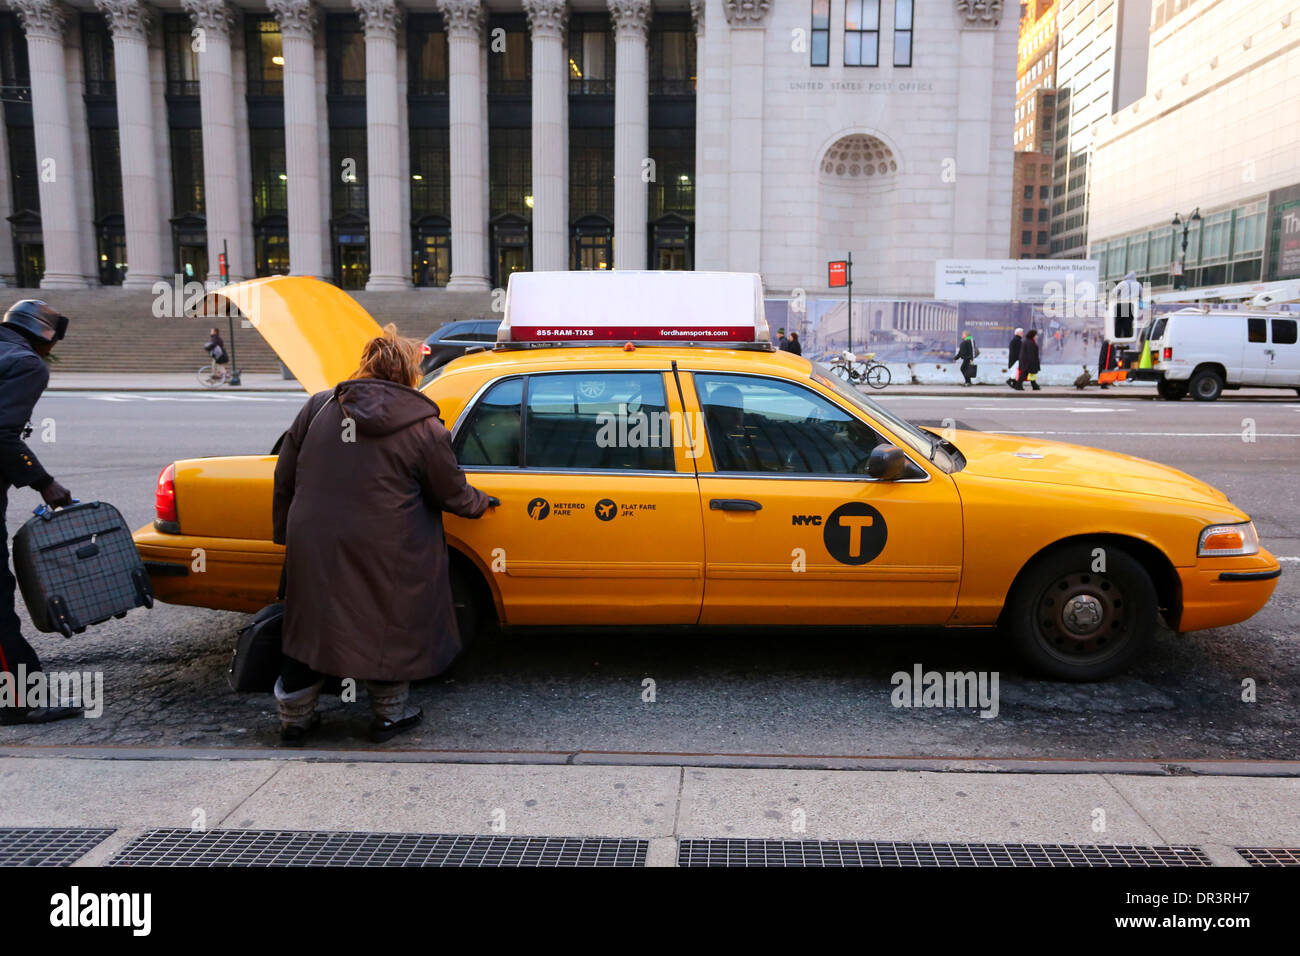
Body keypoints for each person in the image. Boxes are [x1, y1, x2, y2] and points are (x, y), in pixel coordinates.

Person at [271, 325, 491, 745]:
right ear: (410, 374)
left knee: (311, 624)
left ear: (365, 365)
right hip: (389, 544)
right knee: (387, 625)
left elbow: (285, 474)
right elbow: (451, 492)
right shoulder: (424, 428)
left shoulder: (319, 407)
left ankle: (294, 719)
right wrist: (482, 503)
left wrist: (287, 536)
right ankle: (388, 718)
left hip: (315, 540)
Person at [0, 300, 79, 726]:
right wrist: (44, 483)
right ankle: (16, 700)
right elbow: (1, 434)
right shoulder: (26, 364)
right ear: (46, 339)